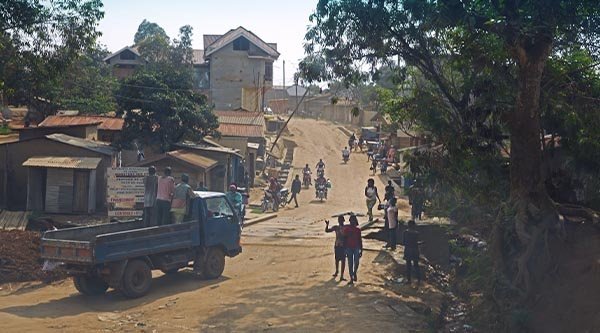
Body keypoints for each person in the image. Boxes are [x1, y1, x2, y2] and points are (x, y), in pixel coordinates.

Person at [325, 216, 347, 281]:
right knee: (337, 260)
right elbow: (327, 230)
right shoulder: (336, 227)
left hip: (342, 246)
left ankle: (341, 275)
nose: (340, 221)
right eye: (339, 220)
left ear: (343, 220)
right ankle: (337, 272)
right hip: (338, 245)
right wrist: (327, 225)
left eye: (341, 220)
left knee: (342, 261)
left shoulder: (344, 227)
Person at [343, 215, 363, 285]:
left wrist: (361, 249)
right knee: (350, 263)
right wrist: (344, 249)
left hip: (356, 247)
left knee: (356, 262)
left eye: (353, 220)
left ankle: (354, 273)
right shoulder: (347, 229)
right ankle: (351, 277)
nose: (352, 222)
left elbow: (360, 240)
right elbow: (344, 240)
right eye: (351, 220)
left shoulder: (358, 230)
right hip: (349, 247)